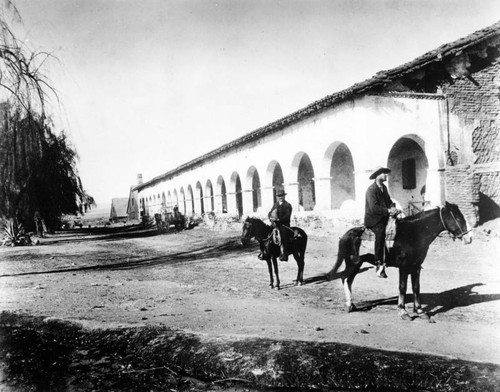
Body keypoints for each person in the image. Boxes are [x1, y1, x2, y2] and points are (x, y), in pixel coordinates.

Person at [364, 166, 399, 278]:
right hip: (374, 219)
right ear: (378, 175)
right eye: (384, 173)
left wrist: (394, 208)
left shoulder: (383, 188)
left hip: (383, 217)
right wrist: (388, 210)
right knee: (380, 234)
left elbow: (389, 201)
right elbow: (373, 208)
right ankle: (378, 263)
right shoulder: (371, 190)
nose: (386, 175)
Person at [268, 190, 293, 261]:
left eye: (282, 196)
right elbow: (270, 212)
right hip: (275, 224)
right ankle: (266, 251)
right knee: (267, 232)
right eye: (279, 196)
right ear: (277, 197)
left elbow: (287, 216)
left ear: (284, 196)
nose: (280, 197)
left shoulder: (287, 205)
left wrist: (279, 220)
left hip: (284, 224)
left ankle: (284, 253)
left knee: (283, 235)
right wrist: (270, 217)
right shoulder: (275, 204)